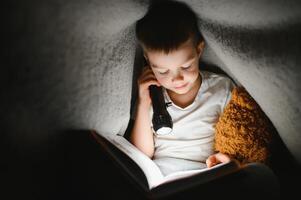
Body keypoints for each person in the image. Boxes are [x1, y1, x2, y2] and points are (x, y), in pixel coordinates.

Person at [130, 0, 234, 175]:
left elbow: (235, 137)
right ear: (148, 62)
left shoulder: (221, 89)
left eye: (186, 67)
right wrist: (143, 104)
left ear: (199, 50)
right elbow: (141, 154)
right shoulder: (151, 96)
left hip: (205, 172)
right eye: (163, 71)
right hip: (161, 172)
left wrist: (225, 159)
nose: (177, 79)